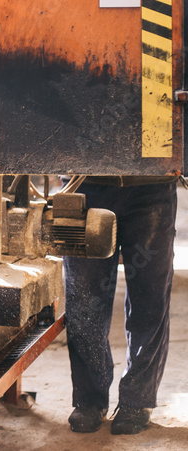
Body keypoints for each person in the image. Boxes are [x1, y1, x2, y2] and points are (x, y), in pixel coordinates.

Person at [64, 177, 178, 435]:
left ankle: (136, 401)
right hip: (86, 184)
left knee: (149, 298)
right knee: (84, 300)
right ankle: (89, 399)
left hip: (152, 185)